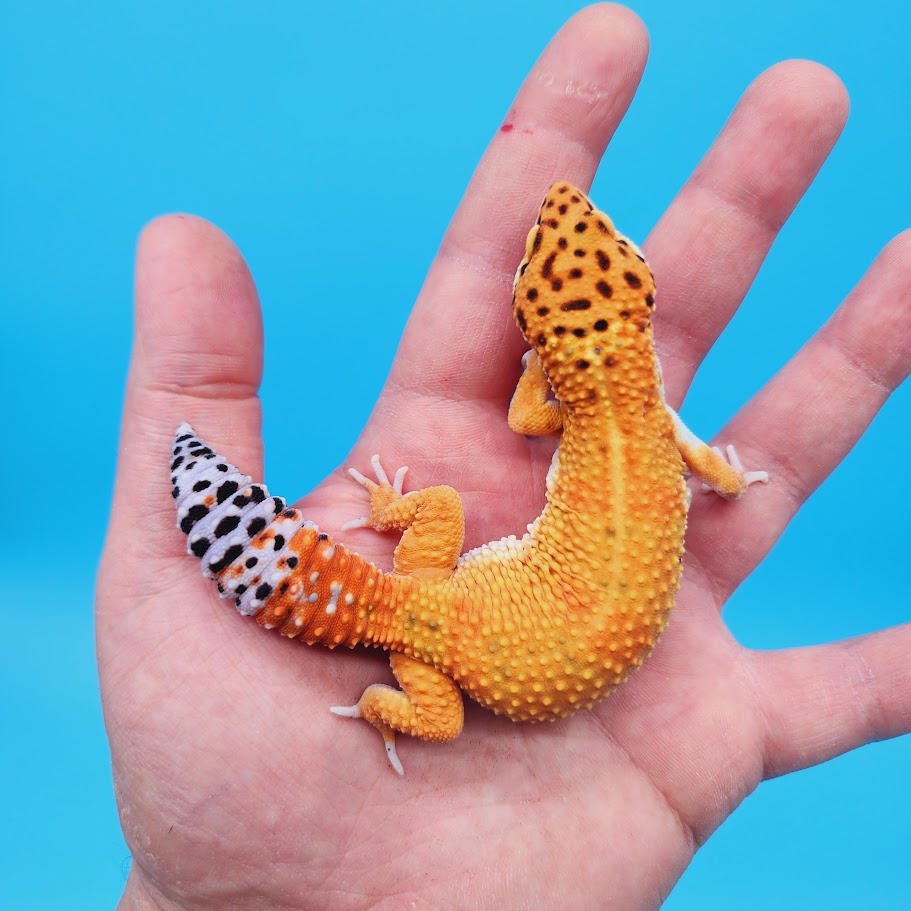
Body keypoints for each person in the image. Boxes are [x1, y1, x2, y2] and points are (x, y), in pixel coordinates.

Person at [97, 5, 910, 909]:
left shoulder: (552, 404)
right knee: (429, 678)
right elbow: (709, 467)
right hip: (481, 637)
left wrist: (535, 370)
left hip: (462, 614)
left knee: (427, 518)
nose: (562, 214)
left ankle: (333, 551)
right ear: (636, 282)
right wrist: (729, 474)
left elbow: (530, 413)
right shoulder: (658, 420)